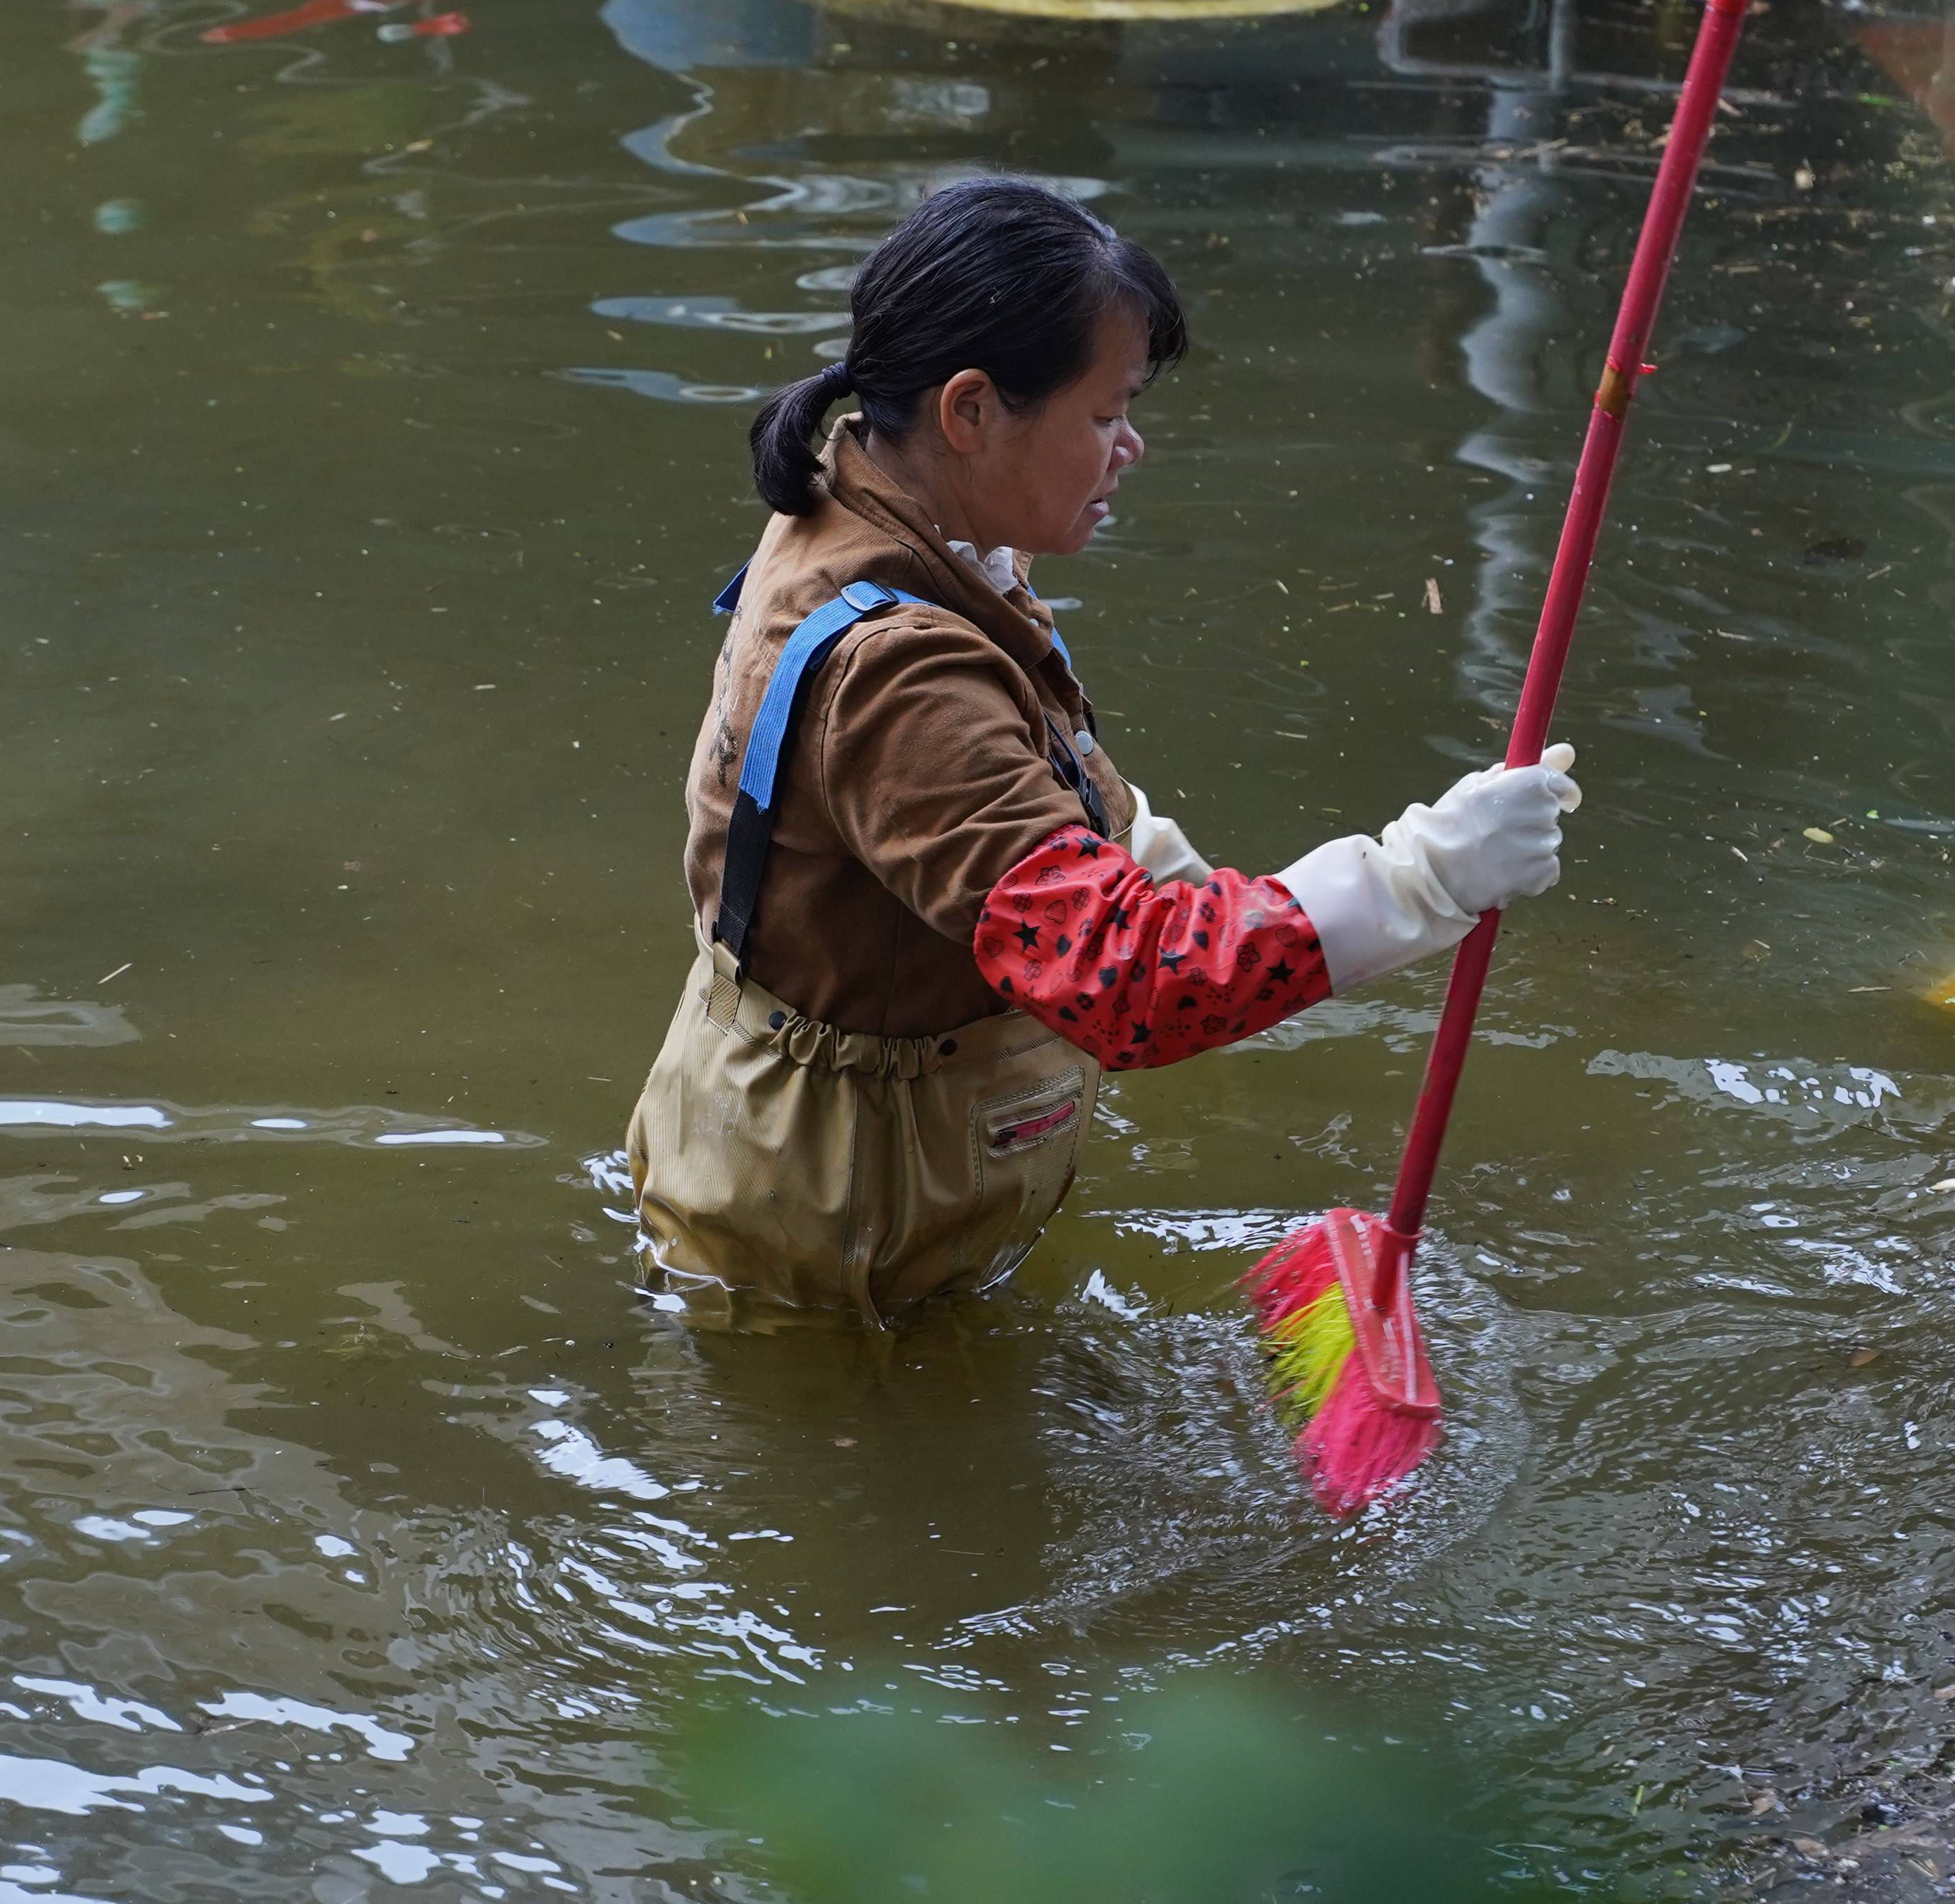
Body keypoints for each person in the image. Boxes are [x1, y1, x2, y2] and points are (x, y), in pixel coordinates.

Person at [628, 178, 1582, 1325]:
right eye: (1103, 413)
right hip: (829, 1255)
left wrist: (1215, 884)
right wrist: (1422, 879)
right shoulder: (899, 673)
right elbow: (1127, 984)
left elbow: (1043, 818)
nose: (1131, 448)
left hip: (834, 1178)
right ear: (971, 410)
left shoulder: (892, 520)